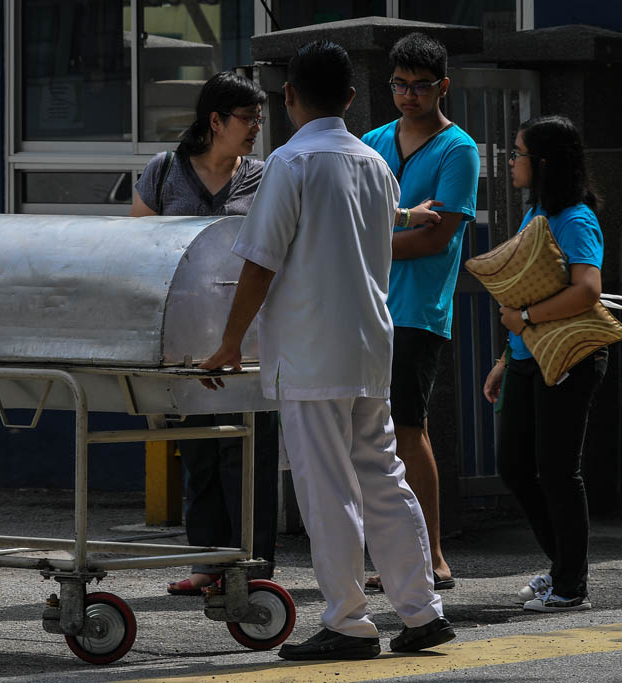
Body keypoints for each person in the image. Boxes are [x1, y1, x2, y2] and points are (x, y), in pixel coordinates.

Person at [199, 41, 454, 659]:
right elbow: (383, 224)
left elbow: (260, 261)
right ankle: (422, 611)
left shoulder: (290, 163)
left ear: (288, 97)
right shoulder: (374, 162)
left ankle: (347, 621)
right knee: (383, 477)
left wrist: (231, 342)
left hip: (312, 353)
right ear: (350, 97)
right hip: (372, 345)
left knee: (327, 487)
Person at [130, 71, 280, 595]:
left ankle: (251, 565)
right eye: (248, 118)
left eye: (260, 117)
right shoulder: (164, 171)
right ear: (215, 121)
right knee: (198, 449)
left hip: (249, 333)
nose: (256, 127)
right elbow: (139, 248)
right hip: (186, 339)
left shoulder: (263, 177)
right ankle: (206, 561)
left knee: (247, 450)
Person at [361, 32, 480, 592]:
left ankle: (432, 553)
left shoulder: (459, 149)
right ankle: (389, 552)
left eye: (421, 86)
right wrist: (401, 224)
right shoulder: (372, 140)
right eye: (400, 85)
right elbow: (355, 225)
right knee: (368, 430)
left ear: (444, 87)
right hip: (363, 303)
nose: (408, 95)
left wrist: (368, 238)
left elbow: (436, 241)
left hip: (416, 309)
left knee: (408, 426)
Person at [483, 115, 606, 613]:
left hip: (569, 359)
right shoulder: (535, 212)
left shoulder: (576, 218)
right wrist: (501, 358)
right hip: (524, 360)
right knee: (514, 465)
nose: (511, 161)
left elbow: (588, 289)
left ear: (544, 162)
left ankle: (570, 587)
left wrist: (526, 316)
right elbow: (524, 288)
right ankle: (563, 570)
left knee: (558, 471)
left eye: (518, 153)